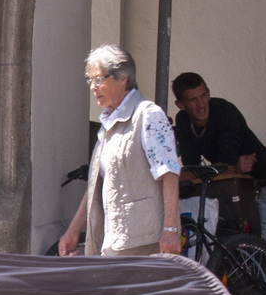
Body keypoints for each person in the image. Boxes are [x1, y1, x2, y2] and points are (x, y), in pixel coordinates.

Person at [58, 46, 182, 257]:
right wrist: (74, 229)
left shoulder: (149, 115)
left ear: (123, 78)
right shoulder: (109, 123)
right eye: (90, 81)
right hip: (115, 237)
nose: (93, 87)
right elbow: (97, 182)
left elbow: (169, 173)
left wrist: (170, 230)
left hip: (145, 239)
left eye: (98, 79)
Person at [172, 71, 266, 244]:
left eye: (204, 96)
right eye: (192, 100)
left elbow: (225, 166)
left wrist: (181, 176)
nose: (201, 105)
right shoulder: (182, 120)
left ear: (209, 93)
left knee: (261, 250)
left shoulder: (224, 111)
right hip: (237, 187)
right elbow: (193, 166)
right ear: (180, 104)